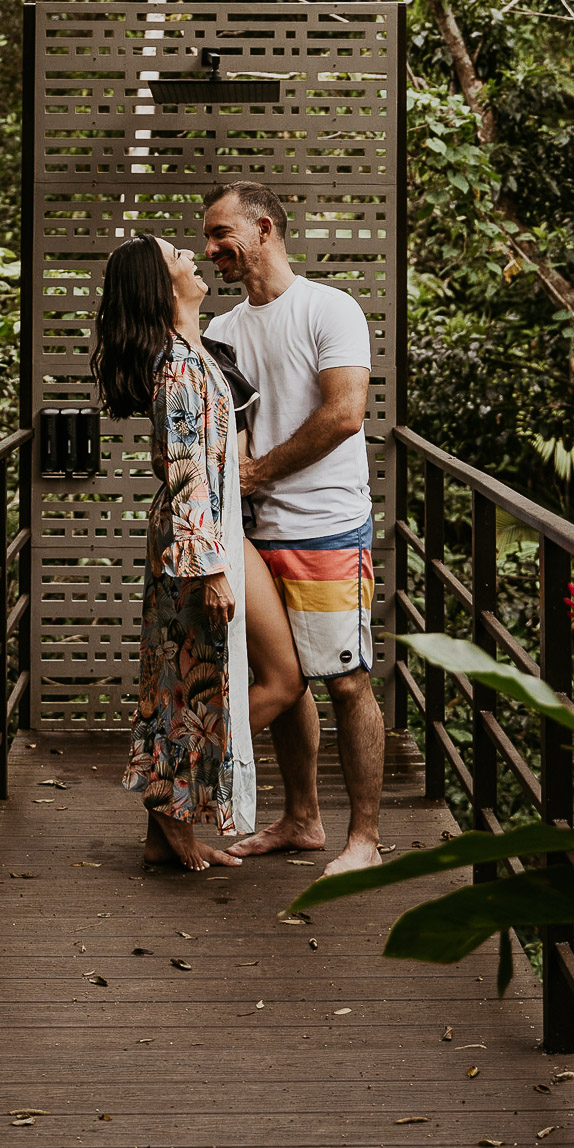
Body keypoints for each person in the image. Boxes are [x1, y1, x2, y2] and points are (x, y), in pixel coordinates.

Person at [90, 233, 306, 872]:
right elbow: (185, 469)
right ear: (163, 285)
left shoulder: (192, 352)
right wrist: (210, 567)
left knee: (191, 686)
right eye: (176, 255)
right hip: (200, 544)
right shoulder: (176, 366)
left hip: (210, 533)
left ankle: (166, 822)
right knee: (204, 684)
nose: (191, 256)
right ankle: (168, 811)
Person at [203, 183, 384, 876]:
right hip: (257, 535)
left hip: (329, 528)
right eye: (210, 238)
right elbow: (230, 437)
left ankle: (363, 839)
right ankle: (302, 819)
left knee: (345, 682)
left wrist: (258, 473)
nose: (213, 249)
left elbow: (344, 415)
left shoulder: (329, 309)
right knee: (283, 681)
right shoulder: (222, 332)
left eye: (223, 233)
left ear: (264, 228)